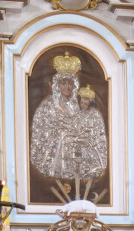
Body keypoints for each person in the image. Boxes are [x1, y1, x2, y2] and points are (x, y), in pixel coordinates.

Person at [30, 52, 83, 180]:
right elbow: (40, 128)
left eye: (70, 83)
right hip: (55, 149)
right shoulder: (47, 105)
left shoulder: (78, 105)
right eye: (63, 83)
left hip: (75, 148)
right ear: (57, 85)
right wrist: (61, 133)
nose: (67, 87)